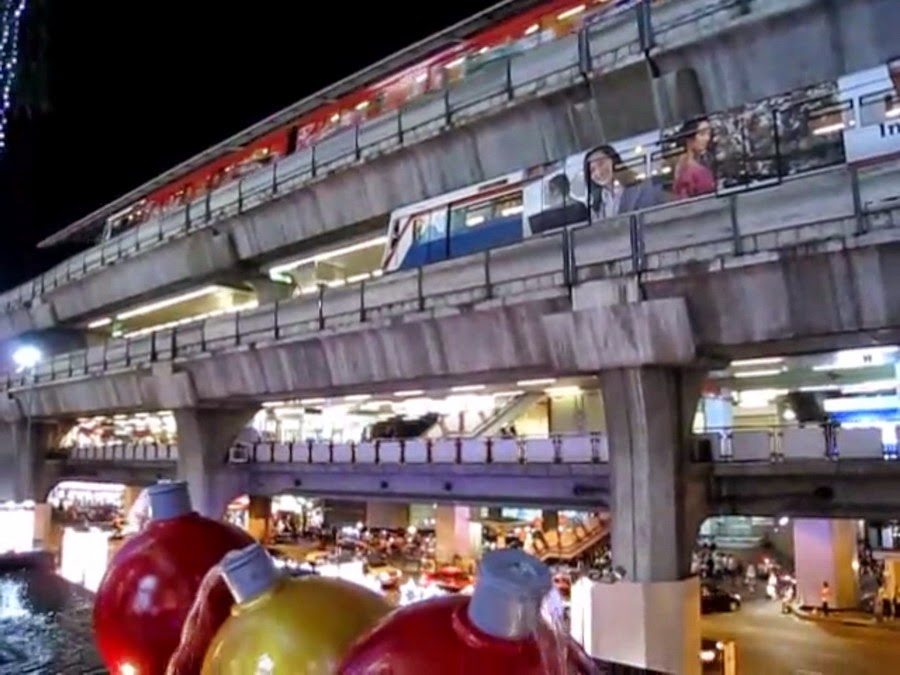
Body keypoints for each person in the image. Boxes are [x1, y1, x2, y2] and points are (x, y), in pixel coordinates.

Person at [585, 144, 665, 220]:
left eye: (601, 163)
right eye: (592, 170)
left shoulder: (641, 187)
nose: (599, 172)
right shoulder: (598, 204)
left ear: (614, 161)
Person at [673, 117, 716, 199]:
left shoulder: (702, 162)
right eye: (702, 134)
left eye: (709, 134)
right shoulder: (688, 168)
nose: (707, 138)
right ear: (690, 138)